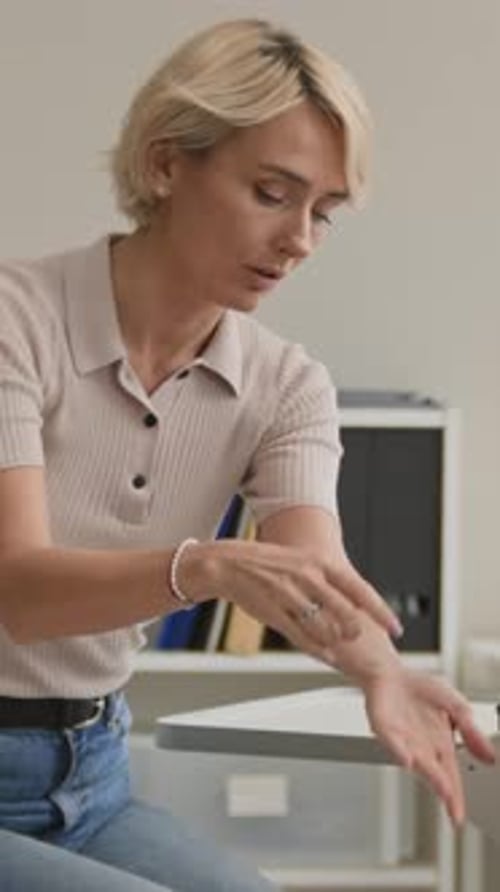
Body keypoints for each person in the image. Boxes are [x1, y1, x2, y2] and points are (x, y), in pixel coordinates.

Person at [0, 16, 495, 892]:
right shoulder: (16, 323)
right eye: (273, 193)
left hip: (92, 779)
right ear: (164, 164)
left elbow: (312, 571)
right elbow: (21, 593)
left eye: (324, 213)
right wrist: (207, 568)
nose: (300, 239)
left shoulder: (285, 384)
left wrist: (383, 670)